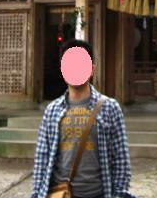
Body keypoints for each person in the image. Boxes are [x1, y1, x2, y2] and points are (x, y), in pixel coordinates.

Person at [31, 39, 135, 198]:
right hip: (61, 194)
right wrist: (37, 193)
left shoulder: (110, 108)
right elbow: (42, 159)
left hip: (98, 194)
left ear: (92, 69)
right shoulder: (52, 110)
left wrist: (119, 194)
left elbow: (121, 160)